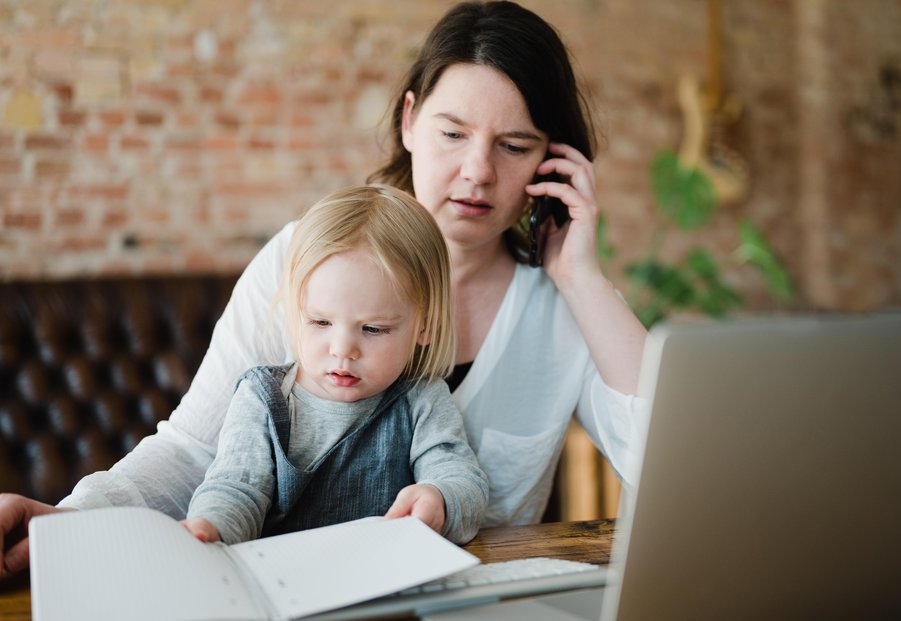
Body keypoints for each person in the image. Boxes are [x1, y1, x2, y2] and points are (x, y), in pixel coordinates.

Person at [0, 0, 648, 576]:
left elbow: (669, 472)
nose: (477, 171)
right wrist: (70, 520)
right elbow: (196, 448)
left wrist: (580, 277)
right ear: (409, 121)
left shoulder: (566, 305)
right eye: (452, 133)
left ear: (551, 161)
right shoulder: (304, 258)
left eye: (513, 144)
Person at [180, 184, 488, 545]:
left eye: (373, 328)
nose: (343, 350)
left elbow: (461, 480)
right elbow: (236, 487)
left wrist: (439, 499)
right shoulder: (262, 398)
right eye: (320, 323)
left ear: (425, 327)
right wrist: (211, 526)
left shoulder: (422, 400)